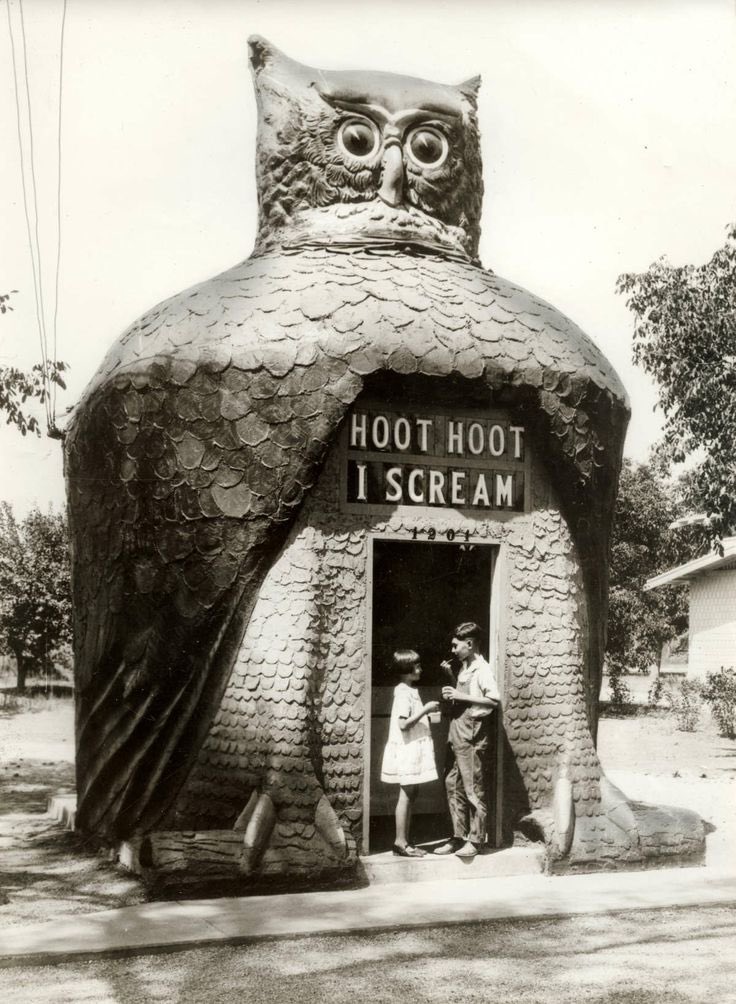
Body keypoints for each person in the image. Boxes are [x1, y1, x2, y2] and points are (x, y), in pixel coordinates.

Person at [434, 622, 500, 859]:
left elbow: (493, 700)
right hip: (457, 731)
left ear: (469, 644)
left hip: (472, 733)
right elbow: (466, 696)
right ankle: (458, 836)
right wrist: (451, 680)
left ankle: (476, 840)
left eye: (456, 646)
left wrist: (459, 695)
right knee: (452, 783)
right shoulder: (465, 667)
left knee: (473, 788)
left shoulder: (483, 669)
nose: (452, 650)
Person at [380, 649, 441, 857]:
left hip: (413, 748)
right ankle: (400, 842)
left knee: (412, 793)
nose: (420, 669)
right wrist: (426, 710)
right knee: (406, 793)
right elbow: (403, 724)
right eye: (417, 666)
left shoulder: (410, 691)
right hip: (406, 749)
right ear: (407, 669)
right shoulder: (403, 693)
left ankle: (405, 839)